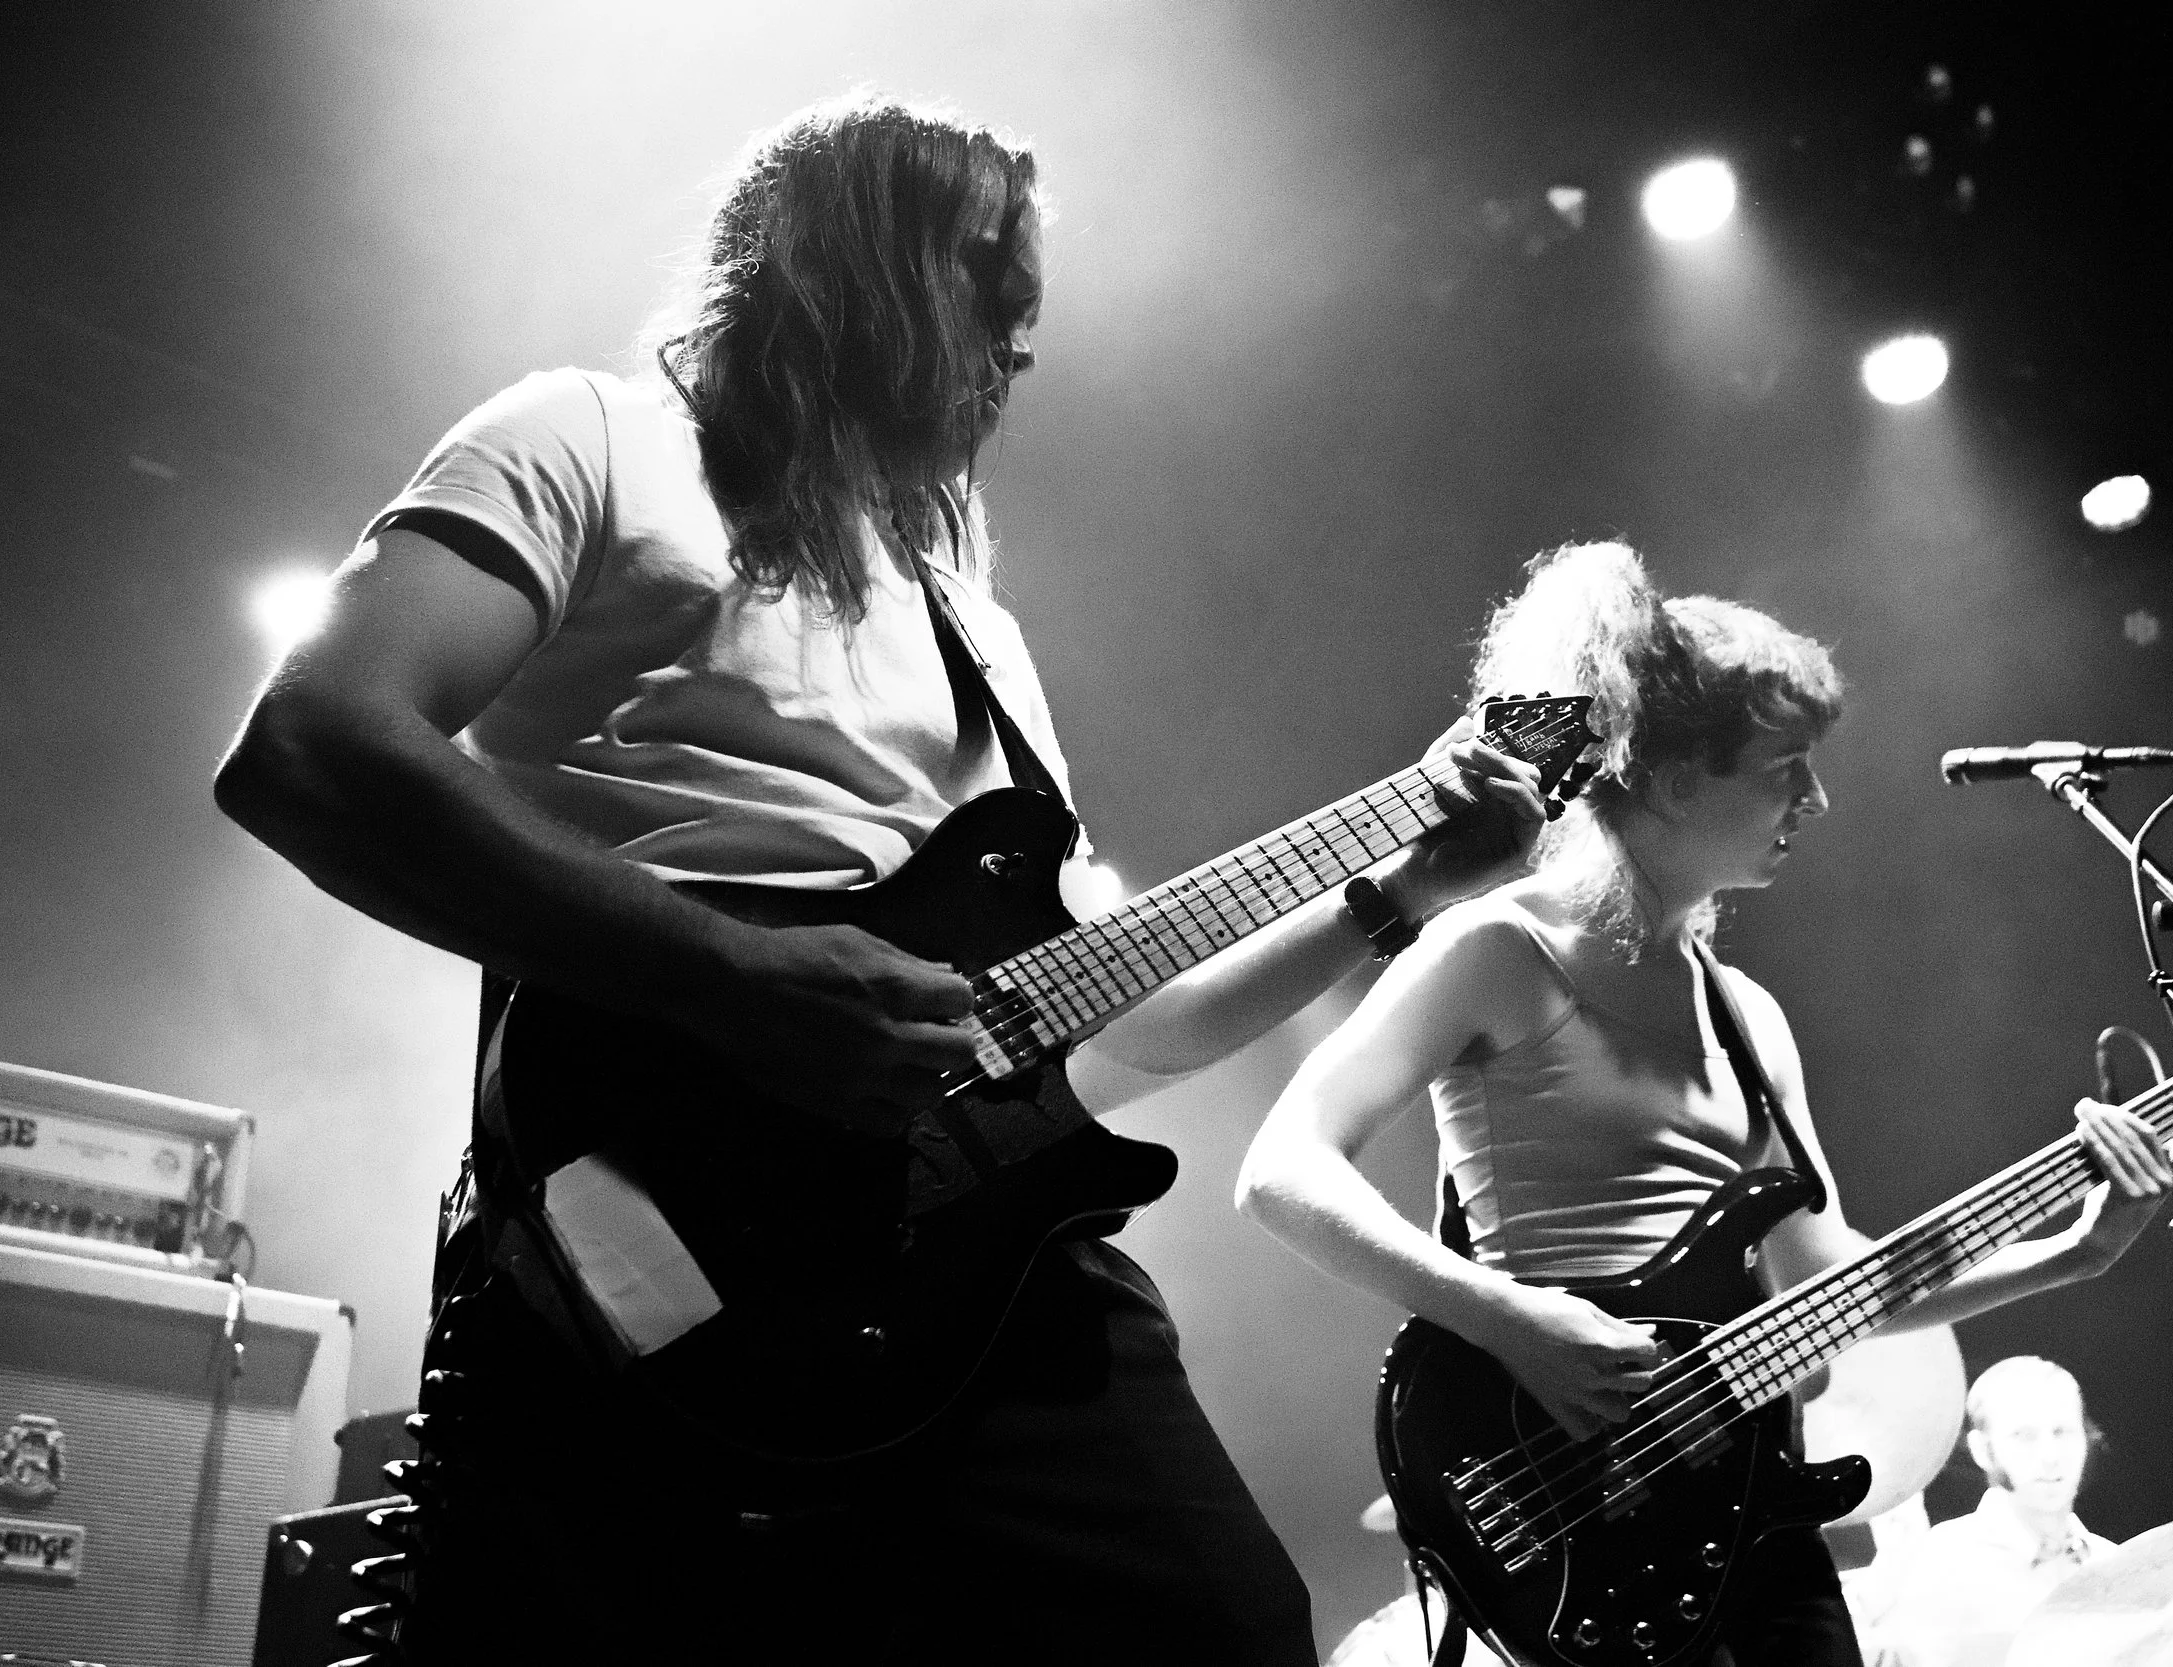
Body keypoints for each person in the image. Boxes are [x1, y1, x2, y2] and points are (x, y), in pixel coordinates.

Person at [213, 96, 1542, 1665]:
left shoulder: (971, 617)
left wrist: (1390, 893)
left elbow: (1118, 1021)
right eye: (992, 286)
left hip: (970, 1268)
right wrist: (733, 974)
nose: (1020, 346)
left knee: (1226, 1626)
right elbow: (309, 740)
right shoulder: (588, 439)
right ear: (859, 261)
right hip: (664, 1225)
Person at [1234, 540, 2173, 1666]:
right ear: (1675, 776)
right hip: (1565, 1493)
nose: (1815, 799)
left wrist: (2071, 1253)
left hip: (1742, 1507)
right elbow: (1280, 1170)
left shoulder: (1750, 1015)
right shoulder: (1502, 947)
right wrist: (1504, 1318)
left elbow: (1830, 1289)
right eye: (1785, 767)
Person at [1871, 1357, 2117, 1667]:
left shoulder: (2113, 1562)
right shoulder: (1942, 1560)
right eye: (2023, 1436)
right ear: (1981, 1450)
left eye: (2063, 1432)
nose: (2050, 1455)